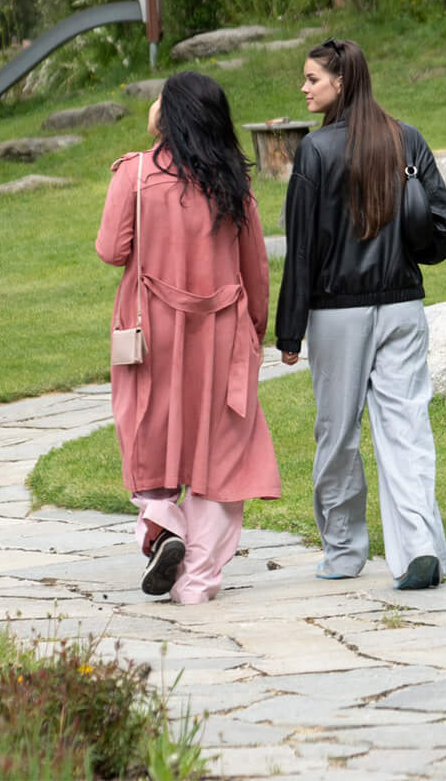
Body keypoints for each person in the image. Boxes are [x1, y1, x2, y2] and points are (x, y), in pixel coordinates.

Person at [275, 37, 446, 589]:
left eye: (312, 79)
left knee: (337, 434)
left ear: (340, 83)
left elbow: (301, 248)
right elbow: (445, 223)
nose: (304, 88)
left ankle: (343, 552)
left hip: (339, 315)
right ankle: (418, 550)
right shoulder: (408, 139)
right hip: (404, 305)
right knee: (407, 430)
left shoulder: (315, 151)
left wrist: (289, 332)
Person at [96, 70, 280, 603]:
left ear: (167, 117)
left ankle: (160, 524)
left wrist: (153, 139)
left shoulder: (134, 174)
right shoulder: (234, 183)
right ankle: (197, 581)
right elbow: (256, 270)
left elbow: (112, 249)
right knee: (220, 453)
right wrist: (258, 329)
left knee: (149, 435)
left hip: (151, 334)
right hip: (222, 333)